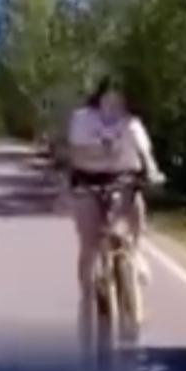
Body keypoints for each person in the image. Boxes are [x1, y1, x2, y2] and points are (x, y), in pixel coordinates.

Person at [62, 77, 164, 348]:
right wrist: (98, 155)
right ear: (100, 97)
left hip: (122, 180)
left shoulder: (132, 124)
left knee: (134, 216)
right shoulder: (82, 119)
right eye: (110, 97)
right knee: (89, 243)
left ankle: (137, 253)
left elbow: (145, 153)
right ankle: (87, 295)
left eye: (120, 99)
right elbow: (78, 153)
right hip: (87, 181)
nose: (114, 103)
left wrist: (152, 171)